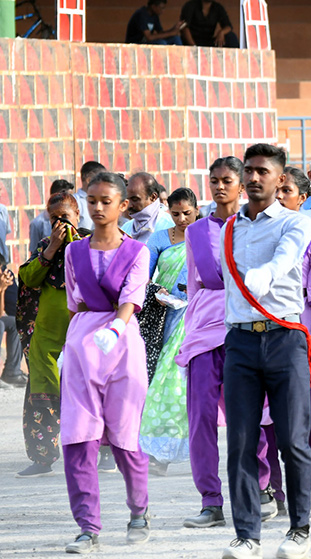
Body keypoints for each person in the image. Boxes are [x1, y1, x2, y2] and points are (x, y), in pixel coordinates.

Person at [219, 144, 311, 559]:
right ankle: (247, 534)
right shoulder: (229, 229)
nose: (255, 178)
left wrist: (266, 275)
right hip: (240, 340)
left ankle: (299, 529)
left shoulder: (297, 223)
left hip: (283, 338)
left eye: (264, 171)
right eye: (250, 171)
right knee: (240, 441)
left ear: (281, 180)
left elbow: (286, 257)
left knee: (293, 439)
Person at [59, 172, 152, 553]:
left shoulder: (137, 252)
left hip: (122, 344)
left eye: (106, 201)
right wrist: (73, 344)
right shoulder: (73, 251)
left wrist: (115, 327)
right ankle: (87, 526)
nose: (97, 208)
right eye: (92, 201)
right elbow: (74, 301)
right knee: (79, 437)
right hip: (83, 344)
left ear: (122, 206)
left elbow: (131, 296)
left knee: (125, 437)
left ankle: (138, 511)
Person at [178, 158, 247, 530]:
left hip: (245, 329)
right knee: (201, 417)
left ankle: (262, 491)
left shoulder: (254, 227)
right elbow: (192, 284)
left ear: (242, 184)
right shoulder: (195, 231)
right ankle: (210, 501)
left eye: (227, 180)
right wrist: (189, 336)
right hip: (205, 330)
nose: (220, 187)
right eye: (214, 181)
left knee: (250, 416)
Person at [267, 166, 311, 519]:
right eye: (275, 190)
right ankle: (272, 491)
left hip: (300, 324)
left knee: (305, 413)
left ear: (302, 197)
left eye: (286, 191)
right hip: (263, 326)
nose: (279, 197)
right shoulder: (256, 230)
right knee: (264, 418)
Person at [15, 193, 88, 478]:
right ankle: (42, 458)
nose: (60, 224)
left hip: (80, 334)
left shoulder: (90, 245)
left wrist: (71, 244)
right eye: (54, 219)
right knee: (41, 397)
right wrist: (52, 248)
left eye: (65, 218)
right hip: (46, 339)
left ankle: (100, 453)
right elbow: (29, 277)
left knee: (87, 394)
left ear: (78, 216)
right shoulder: (45, 247)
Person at [139, 187, 199, 476]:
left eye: (187, 213)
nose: (182, 218)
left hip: (197, 316)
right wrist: (156, 290)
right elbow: (143, 275)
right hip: (165, 317)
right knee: (163, 381)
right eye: (175, 213)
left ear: (197, 210)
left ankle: (185, 452)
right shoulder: (160, 238)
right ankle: (158, 452)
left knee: (179, 383)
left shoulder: (204, 237)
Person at [120, 173, 174, 242]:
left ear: (153, 197)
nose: (129, 205)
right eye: (128, 199)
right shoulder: (126, 228)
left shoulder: (168, 227)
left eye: (135, 199)